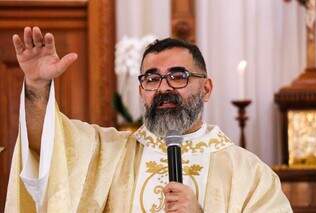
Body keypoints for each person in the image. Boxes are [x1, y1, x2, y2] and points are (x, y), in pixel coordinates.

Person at [5, 26, 292, 213]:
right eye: (152, 78)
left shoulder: (249, 174)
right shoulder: (108, 153)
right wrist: (37, 86)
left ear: (207, 88)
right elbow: (45, 143)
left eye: (178, 76)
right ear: (142, 90)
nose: (164, 87)